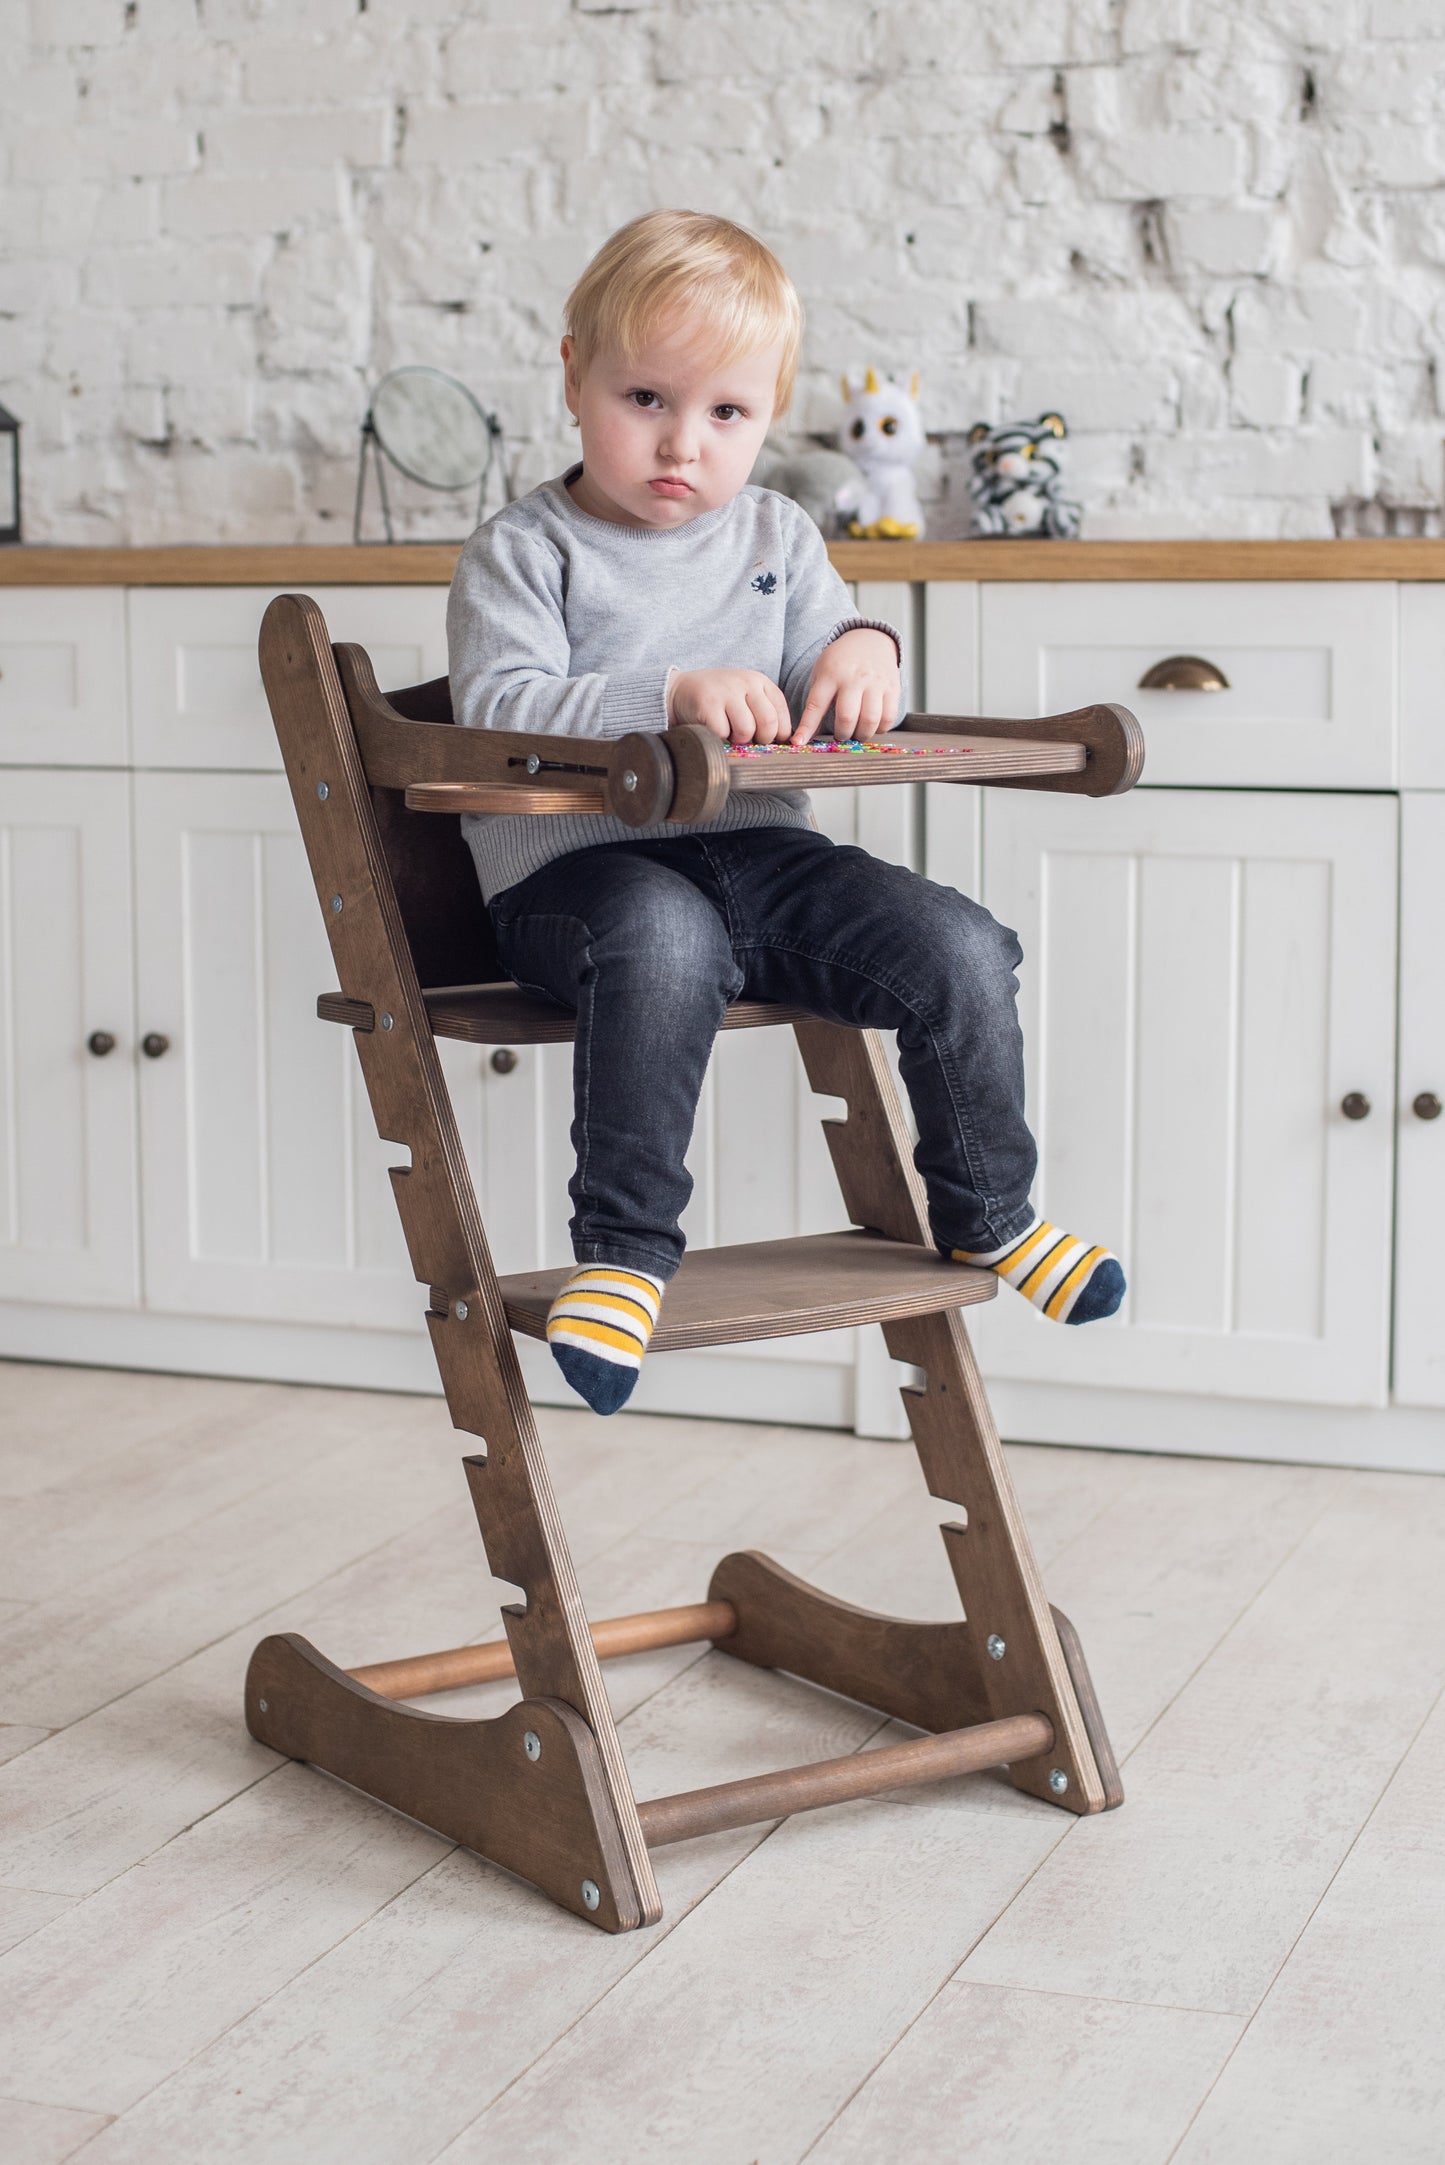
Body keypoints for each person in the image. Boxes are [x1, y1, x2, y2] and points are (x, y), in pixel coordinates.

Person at [447, 209, 1124, 1415]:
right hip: (575, 885)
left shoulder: (777, 534)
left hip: (762, 857)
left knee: (957, 944)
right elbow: (497, 699)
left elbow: (830, 650)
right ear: (571, 375)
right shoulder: (524, 549)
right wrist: (665, 692)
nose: (680, 443)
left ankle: (988, 1215)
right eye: (645, 396)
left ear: (770, 413)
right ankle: (625, 1251)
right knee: (663, 940)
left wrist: (865, 645)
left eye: (726, 414)